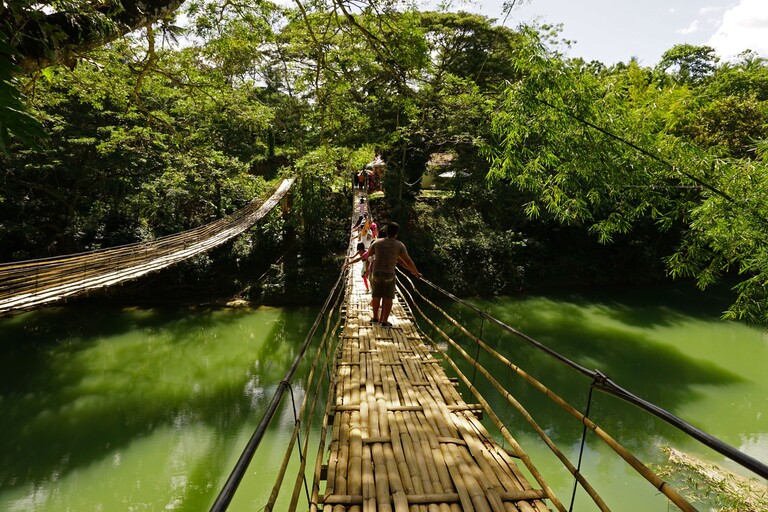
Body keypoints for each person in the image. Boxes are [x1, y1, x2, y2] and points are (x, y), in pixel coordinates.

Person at [366, 222, 421, 327]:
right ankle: (384, 321)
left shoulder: (377, 242)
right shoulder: (399, 245)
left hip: (377, 273)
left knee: (376, 295)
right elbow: (408, 261)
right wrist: (416, 272)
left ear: (387, 231)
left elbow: (369, 255)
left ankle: (375, 318)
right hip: (389, 274)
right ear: (396, 234)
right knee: (388, 297)